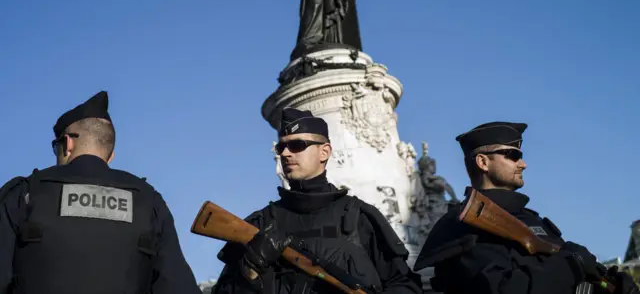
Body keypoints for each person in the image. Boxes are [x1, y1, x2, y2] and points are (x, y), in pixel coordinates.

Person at [0, 91, 202, 294]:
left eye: (56, 147)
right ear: (110, 156)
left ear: (68, 143)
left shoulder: (23, 194)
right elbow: (177, 285)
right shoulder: (149, 201)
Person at [213, 107, 423, 294]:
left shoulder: (359, 217)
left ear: (324, 152)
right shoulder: (259, 224)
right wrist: (250, 268)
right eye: (281, 148)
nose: (285, 154)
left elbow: (404, 284)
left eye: (297, 145)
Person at [412, 121, 639, 294]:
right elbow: (503, 288)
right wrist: (572, 264)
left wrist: (614, 285)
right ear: (483, 162)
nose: (523, 163)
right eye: (512, 155)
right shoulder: (464, 224)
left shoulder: (534, 220)